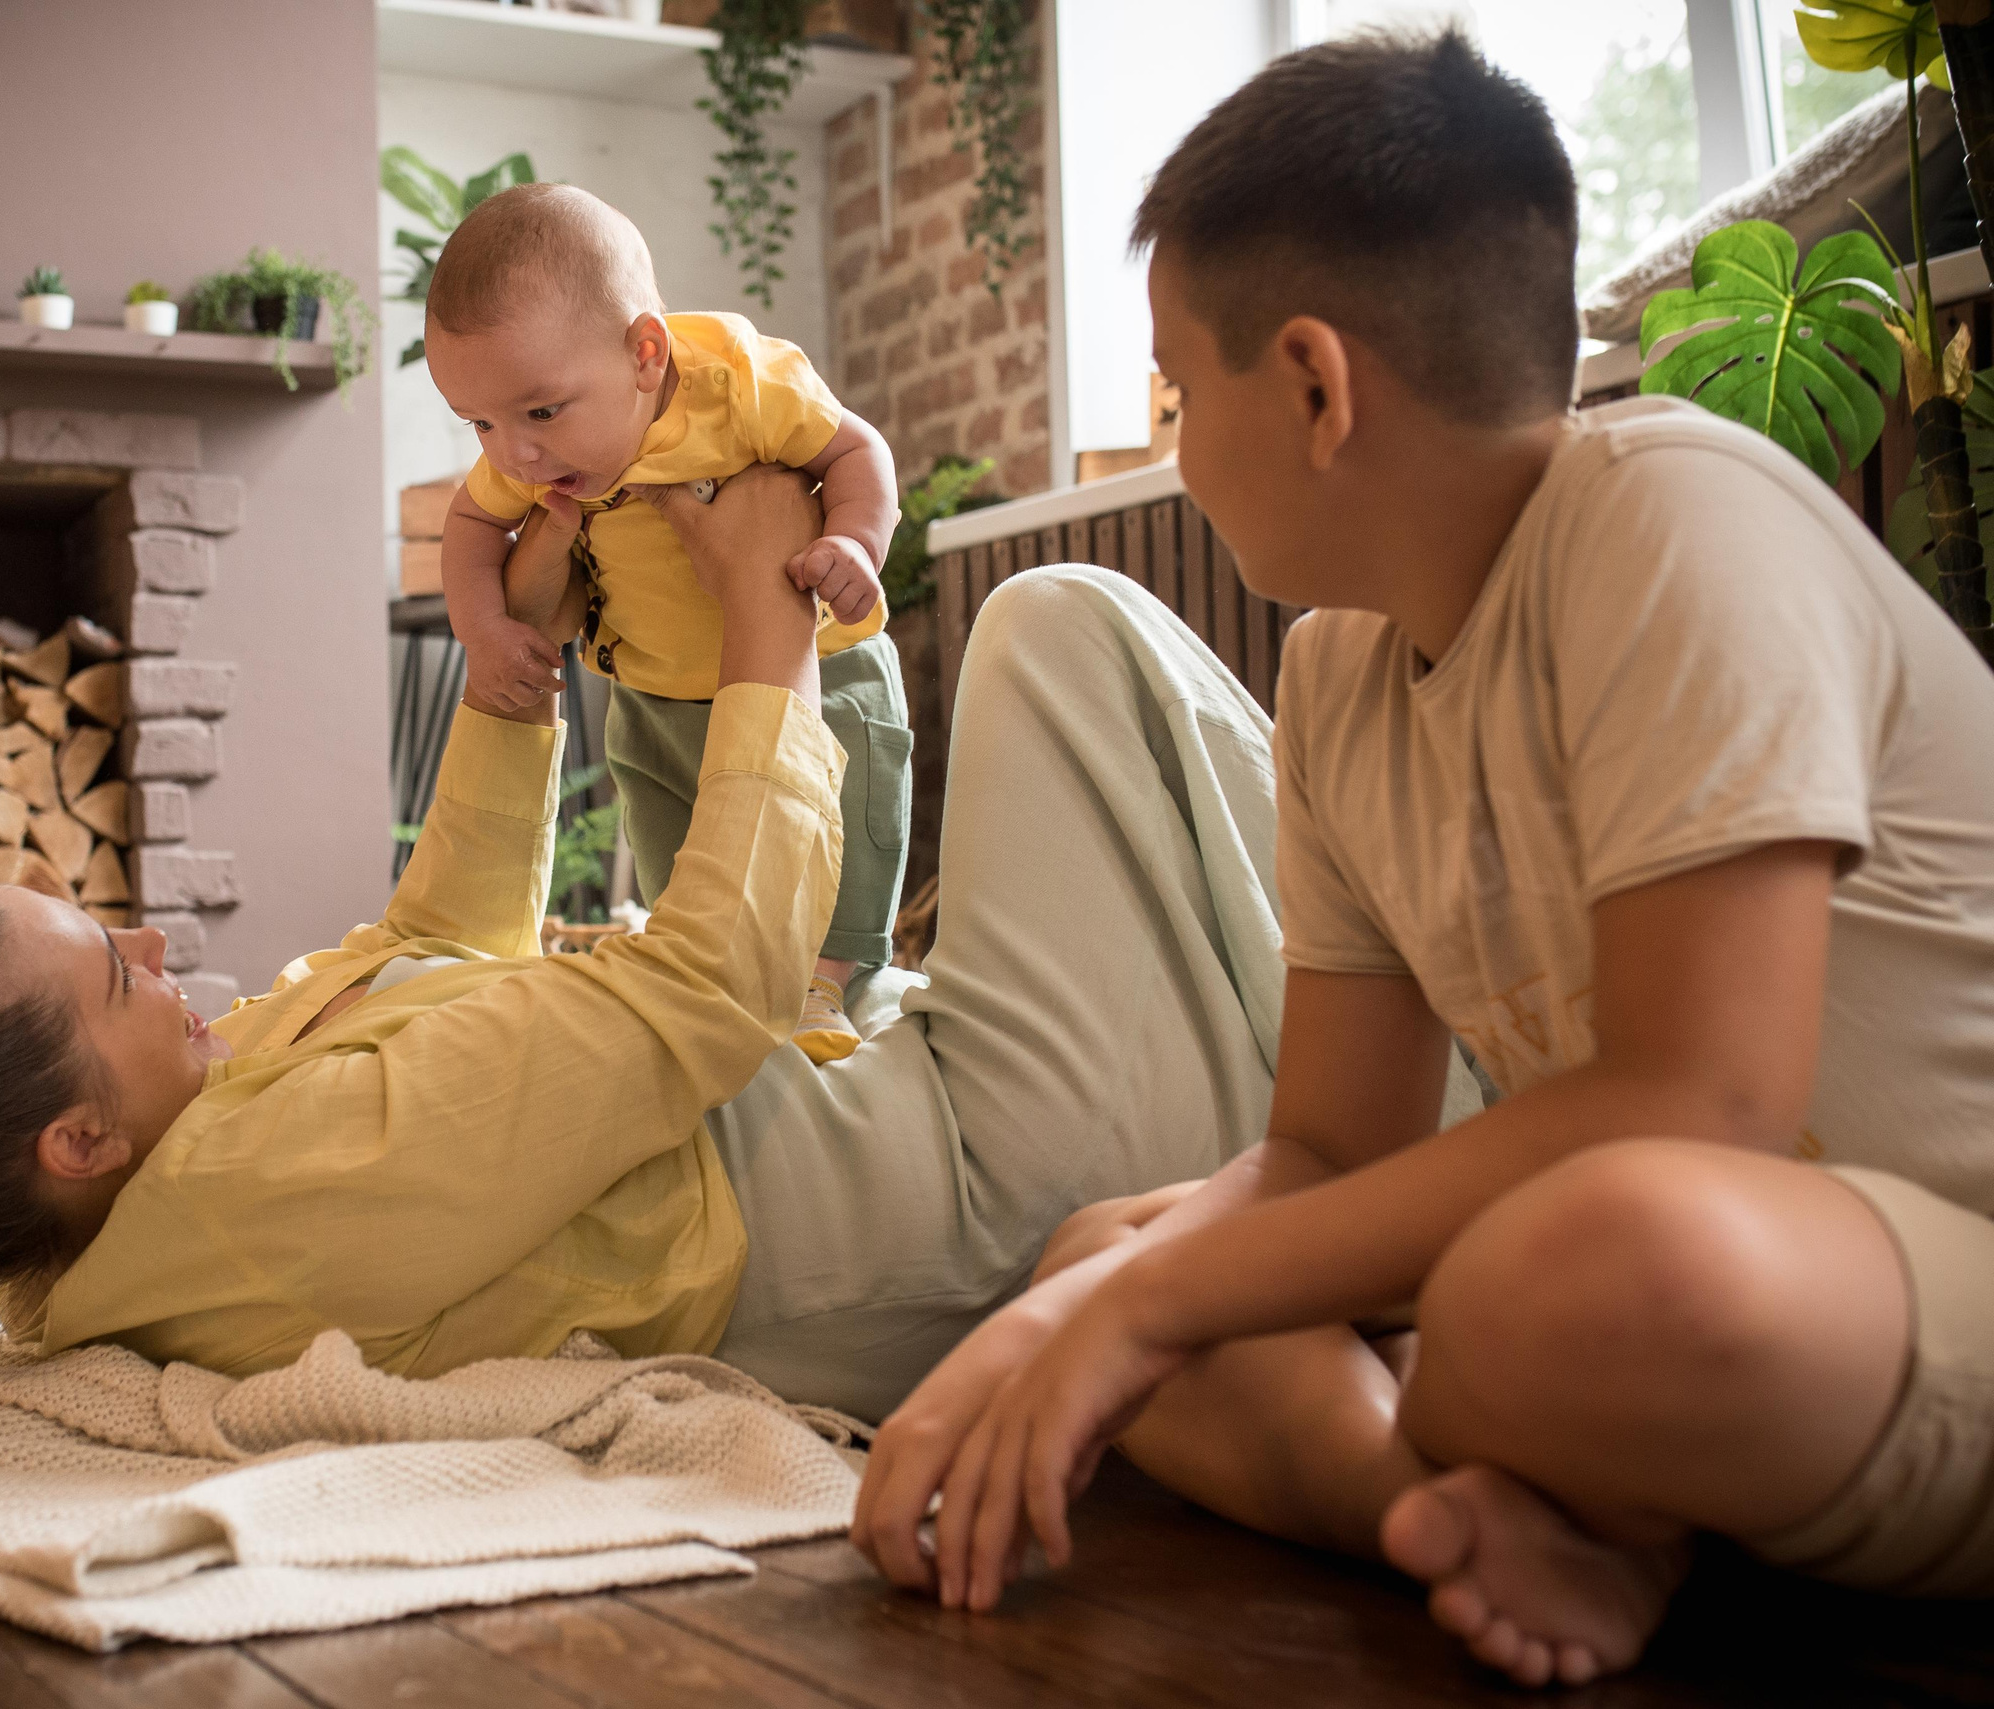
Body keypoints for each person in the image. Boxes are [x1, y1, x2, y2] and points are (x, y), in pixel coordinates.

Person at [850, 28, 1994, 1690]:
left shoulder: (1675, 518)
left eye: (1178, 387)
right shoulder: (1335, 676)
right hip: (1673, 1298)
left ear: (1314, 383)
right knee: (1106, 1244)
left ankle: (1529, 1470)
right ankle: (1474, 1512)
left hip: (1895, 1266)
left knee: (1573, 1263)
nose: (1170, 436)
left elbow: (1701, 1100)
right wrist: (1094, 1303)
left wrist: (1153, 1315)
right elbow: (1322, 1144)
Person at [0, 465, 1359, 1426]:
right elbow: (706, 990)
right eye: (116, 969)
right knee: (1068, 622)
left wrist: (517, 664)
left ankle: (1354, 1015)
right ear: (75, 1137)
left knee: (944, 733)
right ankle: (1422, 1045)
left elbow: (428, 933)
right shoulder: (275, 1186)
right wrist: (762, 640)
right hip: (971, 1176)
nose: (161, 945)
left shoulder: (159, 1177)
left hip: (896, 1102)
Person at [426, 182, 905, 1061]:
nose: (512, 453)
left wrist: (855, 542)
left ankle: (823, 980)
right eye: (478, 423)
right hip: (652, 695)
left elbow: (854, 449)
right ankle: (698, 964)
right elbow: (470, 527)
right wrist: (484, 626)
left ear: (646, 353)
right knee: (676, 852)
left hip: (818, 676)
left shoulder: (739, 383)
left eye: (538, 411)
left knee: (846, 834)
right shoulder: (529, 457)